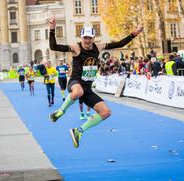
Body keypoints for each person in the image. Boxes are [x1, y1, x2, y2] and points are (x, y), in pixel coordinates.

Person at [48, 16, 144, 148]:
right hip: (76, 81)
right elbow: (53, 46)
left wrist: (135, 33)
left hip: (87, 88)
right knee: (78, 91)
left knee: (106, 112)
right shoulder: (76, 48)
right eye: (85, 38)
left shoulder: (98, 47)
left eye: (90, 38)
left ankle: (78, 131)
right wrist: (52, 28)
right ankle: (60, 111)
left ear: (93, 38)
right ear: (81, 38)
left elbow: (120, 44)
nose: (87, 40)